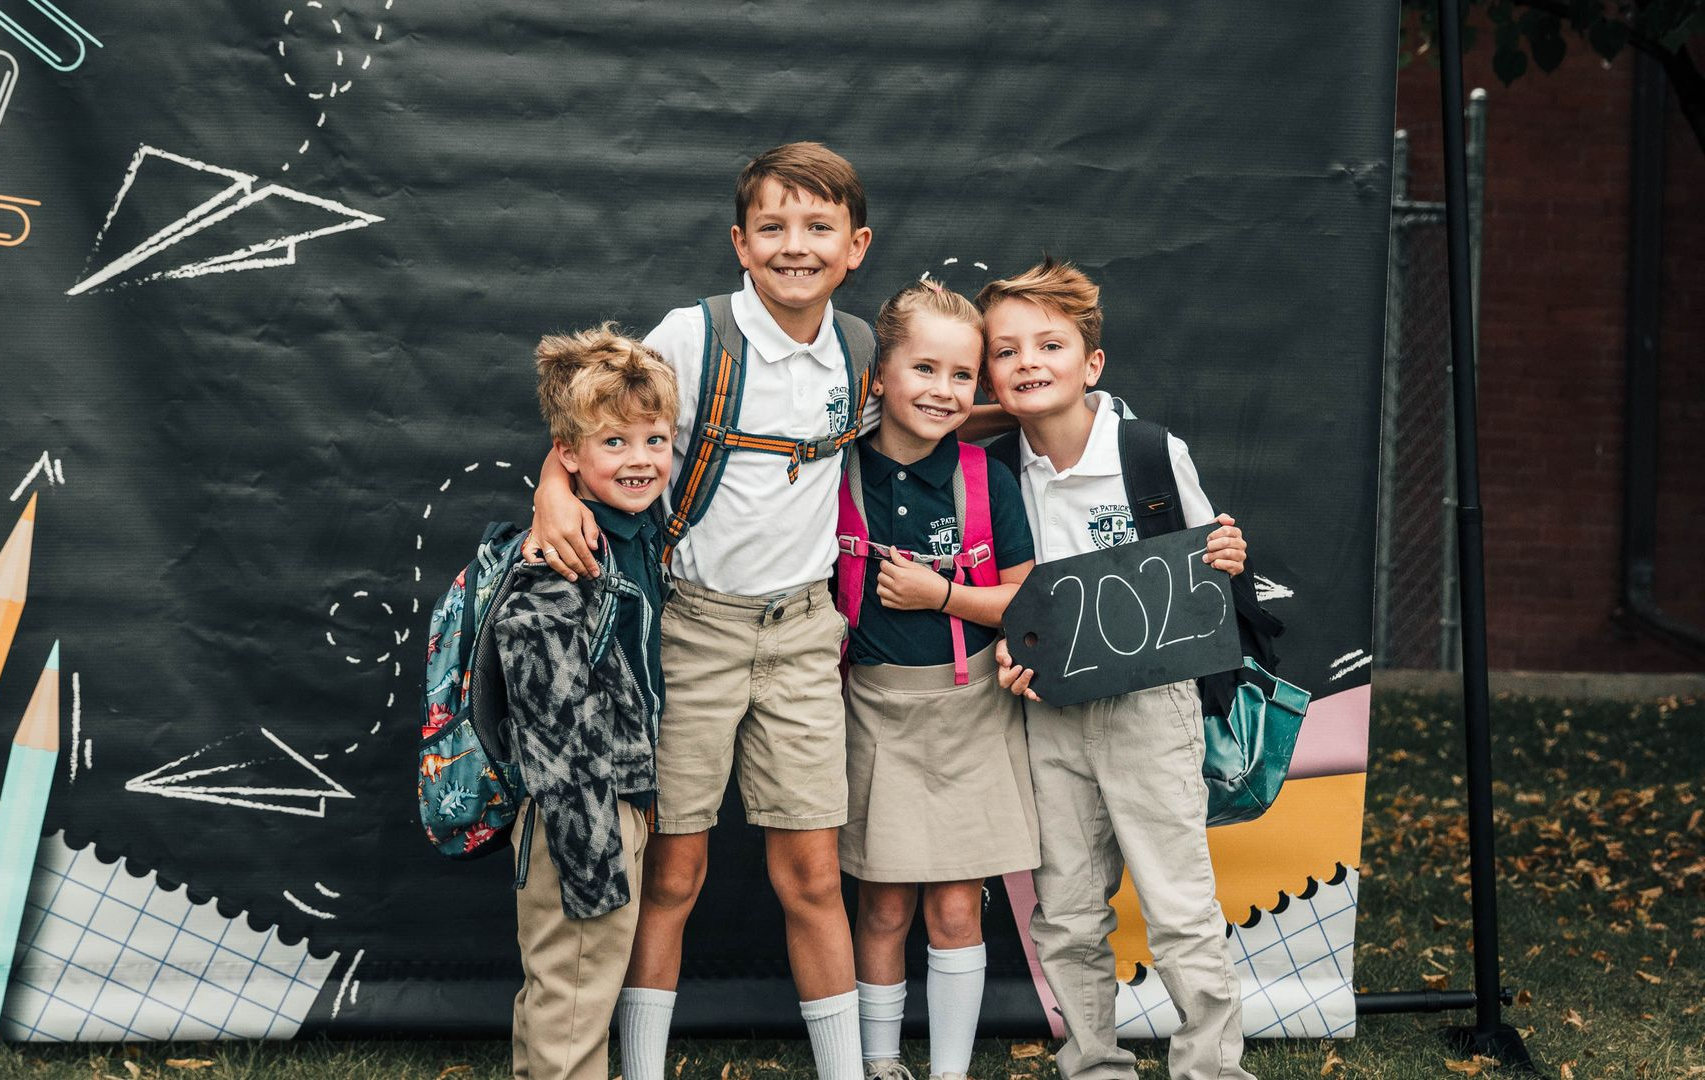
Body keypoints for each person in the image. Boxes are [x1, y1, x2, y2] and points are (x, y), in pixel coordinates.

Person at [528, 141, 880, 1080]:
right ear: (740, 241)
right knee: (671, 874)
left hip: (805, 633)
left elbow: (940, 412)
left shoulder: (859, 348)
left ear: (856, 247)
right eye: (773, 227)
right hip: (693, 630)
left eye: (818, 228)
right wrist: (550, 492)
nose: (794, 246)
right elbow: (594, 420)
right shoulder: (695, 334)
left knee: (810, 875)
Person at [980, 258, 1256, 1080]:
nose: (1028, 362)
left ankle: (1209, 1066)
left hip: (1149, 710)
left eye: (1049, 345)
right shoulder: (993, 470)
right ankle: (1092, 1062)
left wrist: (1229, 557)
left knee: (1177, 904)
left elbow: (1206, 563)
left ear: (1090, 363)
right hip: (1049, 712)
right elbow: (1001, 595)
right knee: (1064, 910)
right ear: (989, 374)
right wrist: (1007, 649)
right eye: (1006, 350)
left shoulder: (1146, 453)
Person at [833, 279, 1040, 1080]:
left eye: (962, 376)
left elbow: (1027, 596)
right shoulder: (834, 470)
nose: (943, 390)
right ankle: (880, 1063)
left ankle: (949, 1070)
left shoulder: (987, 479)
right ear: (878, 374)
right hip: (872, 710)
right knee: (882, 902)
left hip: (968, 711)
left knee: (956, 905)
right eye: (924, 369)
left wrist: (942, 594)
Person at [497, 324, 677, 1080]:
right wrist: (592, 843)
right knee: (574, 984)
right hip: (577, 807)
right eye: (614, 443)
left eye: (654, 440)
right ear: (569, 454)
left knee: (572, 981)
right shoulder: (561, 560)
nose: (639, 460)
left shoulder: (635, 526)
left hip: (617, 795)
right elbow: (554, 726)